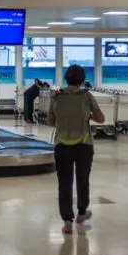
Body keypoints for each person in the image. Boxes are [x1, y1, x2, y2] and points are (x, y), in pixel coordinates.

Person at [47, 64, 105, 234]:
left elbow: (50, 121)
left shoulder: (56, 96)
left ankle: (67, 221)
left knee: (64, 183)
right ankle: (81, 213)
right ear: (82, 80)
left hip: (62, 144)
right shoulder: (86, 96)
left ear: (66, 78)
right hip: (84, 144)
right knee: (82, 179)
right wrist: (90, 116)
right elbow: (101, 119)